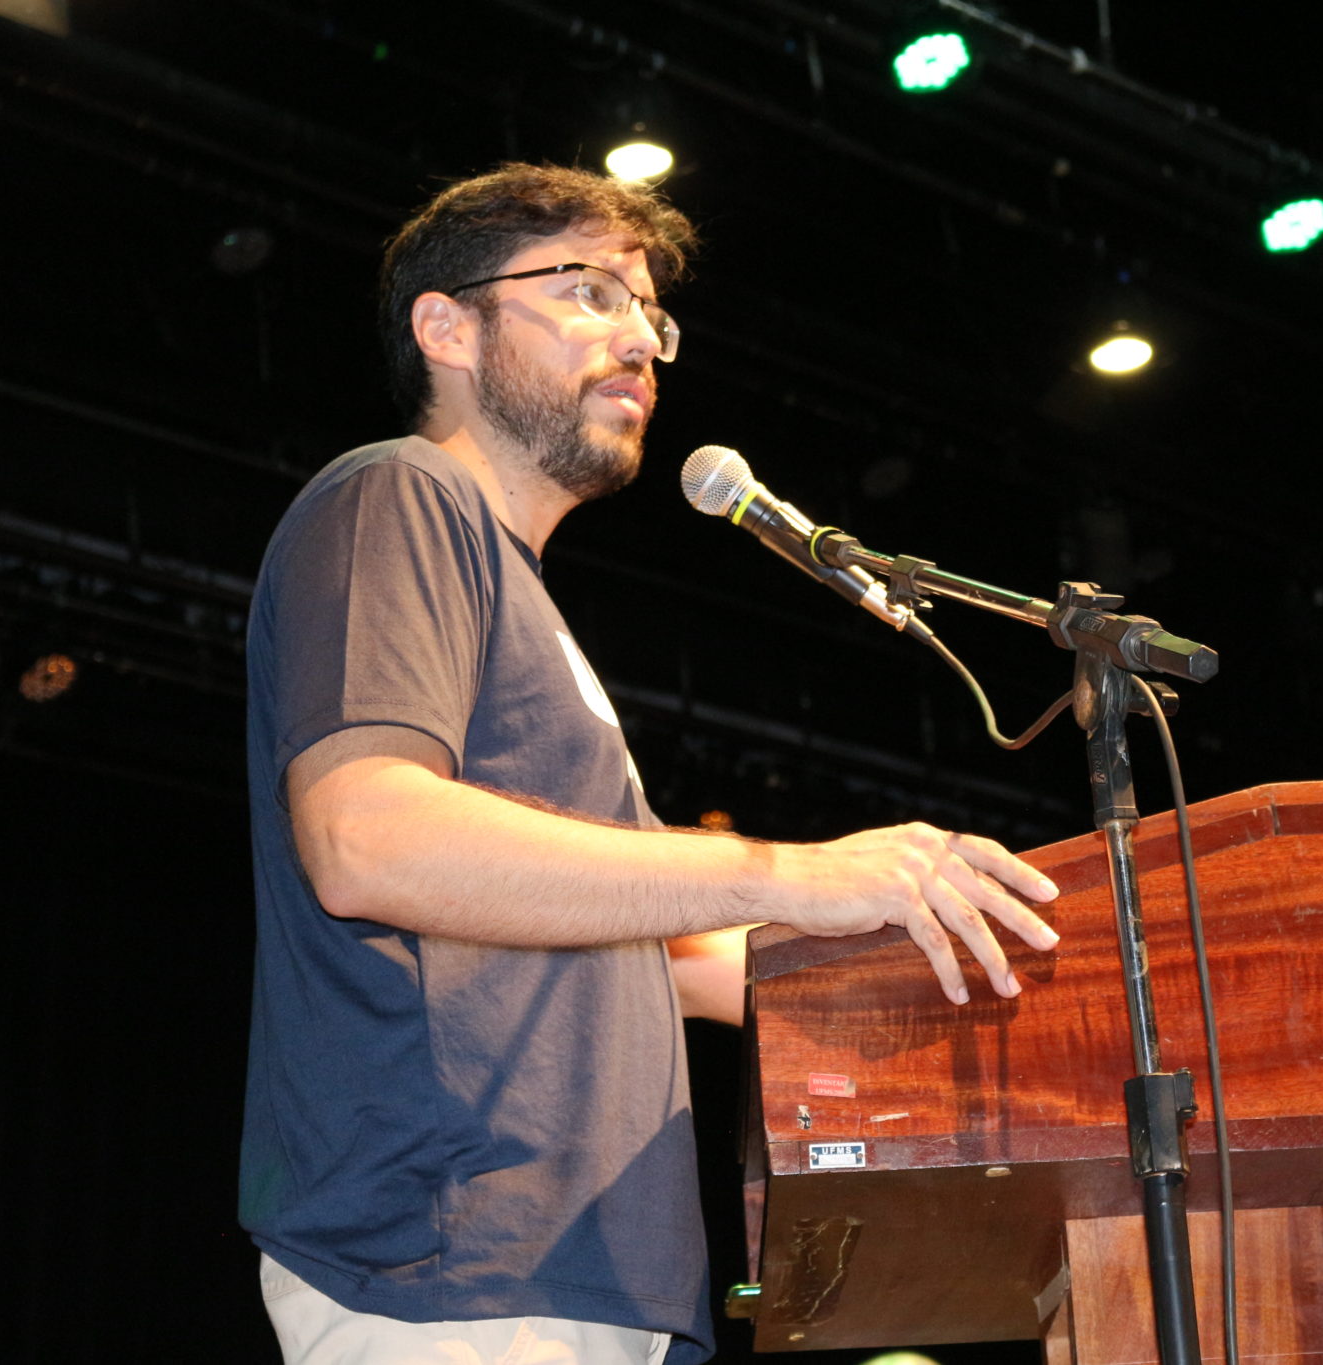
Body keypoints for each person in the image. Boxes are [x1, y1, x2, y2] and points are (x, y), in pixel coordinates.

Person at [240, 163, 1062, 1365]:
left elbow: (658, 954)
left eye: (651, 316)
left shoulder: (525, 602)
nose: (638, 341)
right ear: (446, 327)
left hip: (585, 1282)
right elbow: (367, 838)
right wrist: (790, 872)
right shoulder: (397, 495)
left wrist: (973, 966)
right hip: (454, 1263)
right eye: (589, 293)